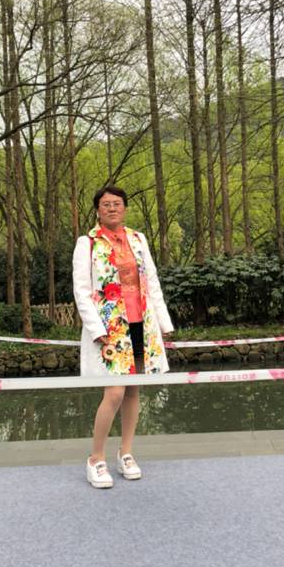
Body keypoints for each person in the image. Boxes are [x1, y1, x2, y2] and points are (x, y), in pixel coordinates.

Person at [72, 185, 173, 489]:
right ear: (98, 210)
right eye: (106, 204)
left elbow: (151, 281)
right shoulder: (88, 243)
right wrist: (96, 329)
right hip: (110, 328)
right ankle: (96, 458)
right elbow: (81, 290)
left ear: (125, 208)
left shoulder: (138, 239)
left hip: (141, 324)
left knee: (133, 391)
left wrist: (164, 324)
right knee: (114, 393)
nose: (112, 208)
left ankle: (126, 453)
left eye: (117, 203)